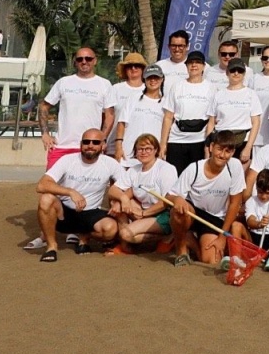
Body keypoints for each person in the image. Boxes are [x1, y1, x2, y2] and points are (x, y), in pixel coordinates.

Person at [35, 128, 131, 262]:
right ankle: (51, 246)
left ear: (103, 146)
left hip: (90, 212)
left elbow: (129, 185)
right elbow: (41, 185)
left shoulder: (110, 164)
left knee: (111, 229)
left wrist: (121, 200)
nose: (90, 145)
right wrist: (70, 191)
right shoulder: (67, 160)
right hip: (64, 211)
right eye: (86, 142)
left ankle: (84, 238)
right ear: (81, 145)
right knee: (46, 199)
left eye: (95, 142)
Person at [167, 129, 245, 267]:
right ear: (211, 147)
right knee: (177, 212)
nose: (222, 155)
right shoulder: (194, 168)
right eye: (219, 149)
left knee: (211, 260)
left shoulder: (235, 167)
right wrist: (177, 199)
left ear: (232, 153)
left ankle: (191, 241)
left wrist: (222, 237)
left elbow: (235, 204)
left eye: (227, 151)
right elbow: (168, 197)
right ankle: (181, 250)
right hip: (193, 213)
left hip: (214, 218)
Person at [39, 47, 113, 169]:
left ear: (95, 61)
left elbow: (110, 115)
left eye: (88, 58)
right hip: (62, 145)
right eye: (80, 59)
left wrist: (102, 139)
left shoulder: (104, 84)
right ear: (75, 62)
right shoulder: (64, 82)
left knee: (89, 186)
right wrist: (45, 134)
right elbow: (44, 106)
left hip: (90, 147)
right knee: (50, 185)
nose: (84, 62)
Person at [108, 133, 179, 254]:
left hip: (163, 213)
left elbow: (168, 200)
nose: (144, 152)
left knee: (126, 233)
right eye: (140, 149)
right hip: (144, 210)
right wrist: (124, 198)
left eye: (148, 149)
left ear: (156, 150)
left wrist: (143, 213)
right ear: (135, 152)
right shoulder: (134, 170)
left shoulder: (166, 169)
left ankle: (167, 238)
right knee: (116, 201)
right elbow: (112, 190)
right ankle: (126, 247)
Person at [161, 51, 217, 173]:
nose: (194, 65)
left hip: (199, 141)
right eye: (190, 63)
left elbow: (212, 120)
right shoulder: (177, 86)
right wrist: (163, 144)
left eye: (197, 62)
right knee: (175, 178)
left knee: (196, 178)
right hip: (176, 140)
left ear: (203, 66)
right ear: (186, 66)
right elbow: (168, 117)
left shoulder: (211, 88)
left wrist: (208, 146)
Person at [205, 57, 261, 165]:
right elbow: (211, 122)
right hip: (221, 140)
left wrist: (248, 147)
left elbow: (256, 122)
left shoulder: (251, 94)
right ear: (227, 72)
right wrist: (208, 147)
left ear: (244, 73)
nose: (236, 73)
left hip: (242, 141)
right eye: (232, 70)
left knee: (239, 178)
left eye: (240, 71)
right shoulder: (218, 95)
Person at [115, 64, 167, 164]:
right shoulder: (133, 98)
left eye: (156, 77)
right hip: (128, 155)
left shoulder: (166, 103)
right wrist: (118, 146)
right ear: (144, 80)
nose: (153, 81)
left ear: (161, 79)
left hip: (153, 155)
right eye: (149, 78)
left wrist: (163, 148)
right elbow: (121, 123)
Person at [108, 52, 147, 163]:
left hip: (141, 146)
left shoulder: (149, 90)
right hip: (114, 143)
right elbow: (108, 115)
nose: (133, 68)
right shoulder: (116, 89)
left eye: (137, 66)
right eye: (129, 66)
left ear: (143, 69)